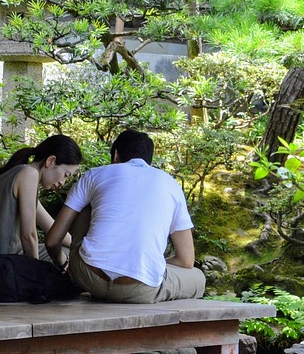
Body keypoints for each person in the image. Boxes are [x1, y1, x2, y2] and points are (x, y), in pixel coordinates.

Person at [45, 129, 205, 303]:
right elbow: (186, 260)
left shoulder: (93, 175)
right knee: (198, 277)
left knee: (85, 205)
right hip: (142, 289)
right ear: (149, 160)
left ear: (115, 155)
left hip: (88, 277)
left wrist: (63, 264)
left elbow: (53, 240)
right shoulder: (170, 184)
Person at [0, 135, 82, 261]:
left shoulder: (18, 174)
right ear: (51, 161)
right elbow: (29, 235)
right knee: (66, 256)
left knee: (67, 252)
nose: (62, 182)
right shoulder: (29, 174)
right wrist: (34, 271)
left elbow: (53, 229)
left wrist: (82, 249)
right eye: (65, 175)